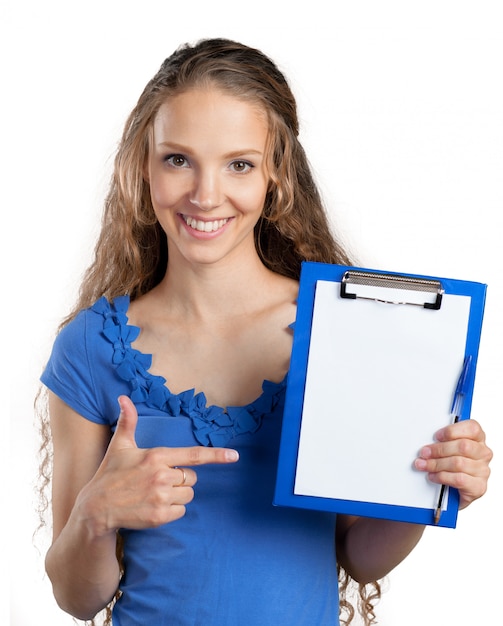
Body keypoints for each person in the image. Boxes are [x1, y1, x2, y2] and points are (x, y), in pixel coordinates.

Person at [37, 38, 492, 626]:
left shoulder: (344, 330)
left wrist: (431, 483)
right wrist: (95, 515)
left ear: (275, 175)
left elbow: (360, 557)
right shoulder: (89, 348)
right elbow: (78, 596)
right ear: (142, 167)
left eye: (239, 164)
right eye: (178, 159)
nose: (205, 194)